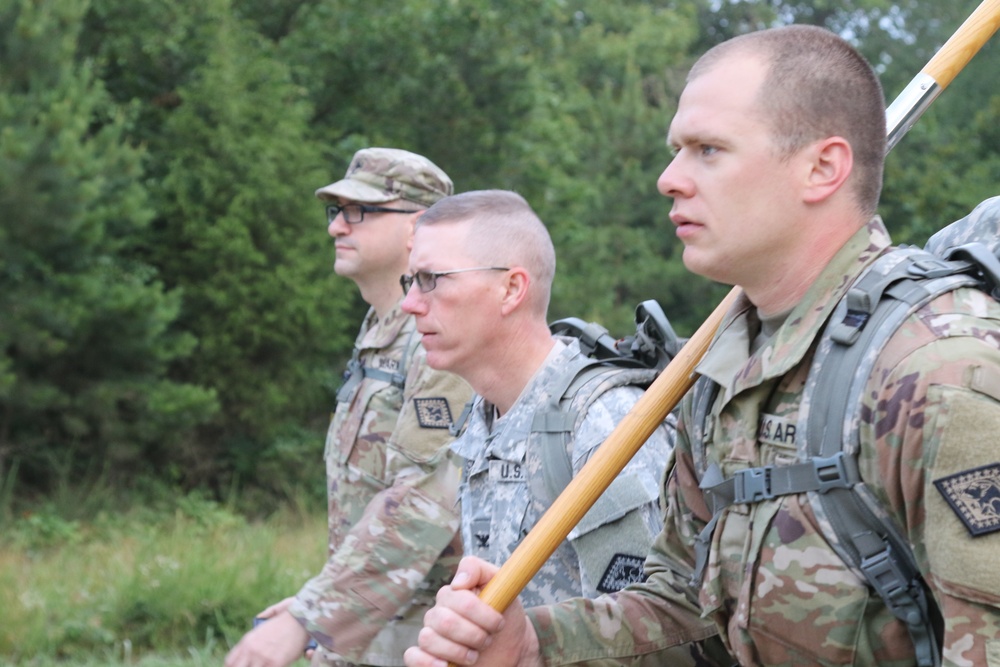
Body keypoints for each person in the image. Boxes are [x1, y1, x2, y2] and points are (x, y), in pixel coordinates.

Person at [403, 25, 1000, 667]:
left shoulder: (937, 373)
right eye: (676, 149)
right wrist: (533, 644)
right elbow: (687, 607)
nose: (669, 179)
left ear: (823, 167)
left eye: (707, 150)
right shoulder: (718, 376)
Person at [225, 148, 473, 667]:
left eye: (360, 211)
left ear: (418, 230)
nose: (337, 227)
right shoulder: (381, 332)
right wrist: (318, 607)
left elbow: (424, 501)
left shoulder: (438, 339)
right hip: (370, 627)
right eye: (335, 211)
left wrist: (312, 617)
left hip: (424, 637)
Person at [399, 190, 674, 607]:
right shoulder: (482, 412)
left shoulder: (602, 425)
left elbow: (648, 630)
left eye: (431, 280)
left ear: (511, 289)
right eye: (410, 281)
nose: (409, 304)